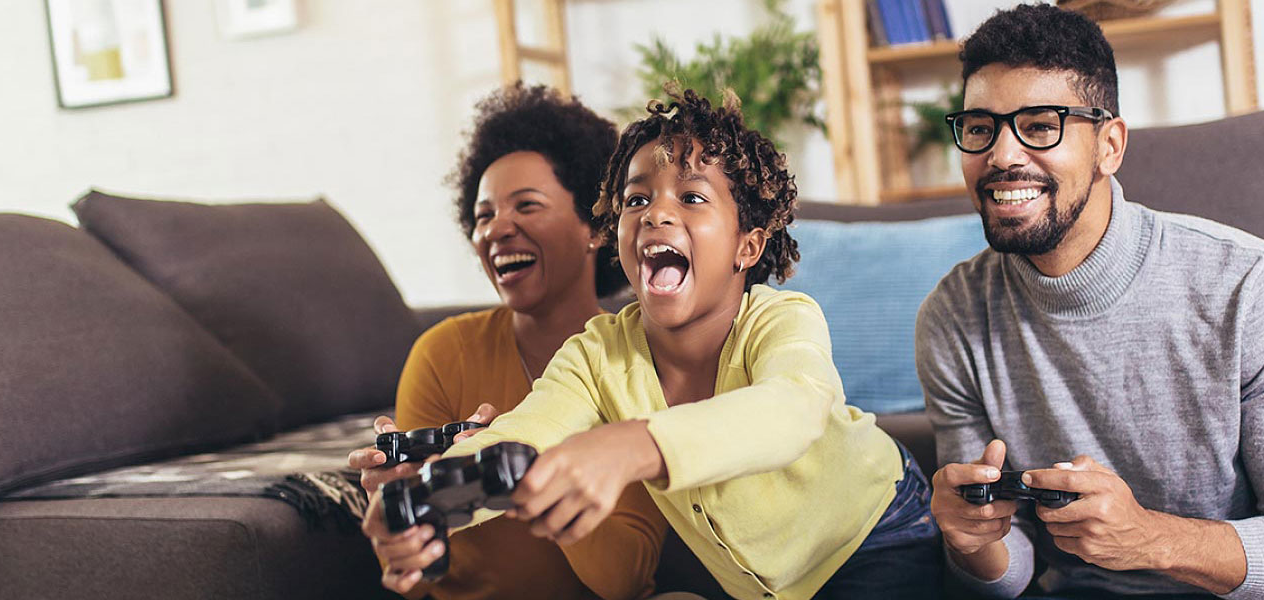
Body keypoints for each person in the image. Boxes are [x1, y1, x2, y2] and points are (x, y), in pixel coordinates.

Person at [362, 86, 943, 600]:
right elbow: (519, 438)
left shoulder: (780, 318)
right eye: (636, 200)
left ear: (748, 246)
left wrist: (629, 445)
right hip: (759, 584)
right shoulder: (596, 353)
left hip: (876, 535)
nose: (655, 213)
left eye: (691, 198)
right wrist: (425, 506)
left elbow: (791, 410)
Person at [918, 5, 1264, 599]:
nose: (1002, 155)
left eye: (1041, 124)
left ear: (1109, 146)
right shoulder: (952, 317)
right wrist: (972, 541)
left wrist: (1149, 538)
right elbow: (1009, 574)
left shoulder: (1251, 287)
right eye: (980, 127)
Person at [347, 83, 667, 600]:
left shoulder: (641, 364)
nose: (498, 229)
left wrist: (529, 478)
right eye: (484, 215)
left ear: (597, 226)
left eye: (527, 205)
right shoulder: (442, 355)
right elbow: (409, 580)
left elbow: (625, 579)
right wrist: (403, 519)